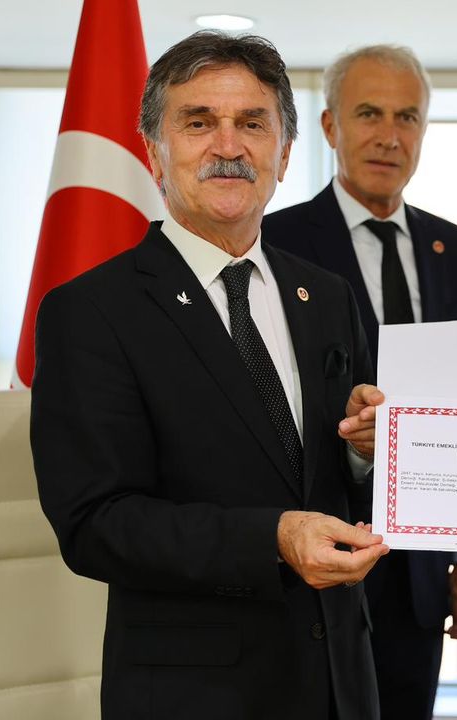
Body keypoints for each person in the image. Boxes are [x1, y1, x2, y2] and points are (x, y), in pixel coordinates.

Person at [32, 31, 388, 720]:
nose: (229, 146)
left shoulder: (327, 296)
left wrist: (364, 451)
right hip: (195, 693)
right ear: (153, 152)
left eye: (252, 124)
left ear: (285, 153)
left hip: (339, 681)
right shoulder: (90, 312)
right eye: (198, 123)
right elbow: (95, 523)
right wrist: (272, 538)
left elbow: (337, 473)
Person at [263, 44, 457, 720]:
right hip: (314, 552)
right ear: (330, 126)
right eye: (369, 114)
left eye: (407, 117)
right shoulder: (273, 241)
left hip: (421, 563)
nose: (389, 136)